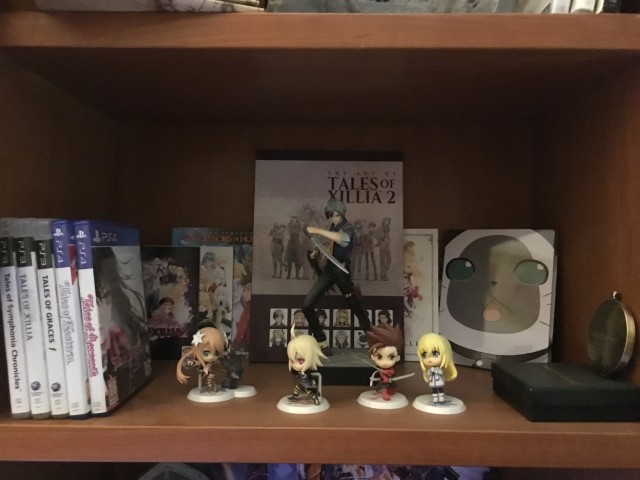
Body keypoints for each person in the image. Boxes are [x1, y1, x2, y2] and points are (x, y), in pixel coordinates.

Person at [302, 199, 371, 353]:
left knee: (356, 308)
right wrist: (317, 253)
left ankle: (374, 341)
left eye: (336, 215)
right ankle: (321, 342)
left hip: (342, 272)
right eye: (331, 216)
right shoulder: (333, 227)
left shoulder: (348, 228)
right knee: (306, 305)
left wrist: (316, 230)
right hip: (329, 271)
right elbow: (330, 246)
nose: (334, 219)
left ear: (342, 214)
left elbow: (342, 239)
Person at [417, 333, 458, 404]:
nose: (429, 359)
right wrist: (430, 372)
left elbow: (441, 373)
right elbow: (428, 373)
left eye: (435, 354)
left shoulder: (439, 369)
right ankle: (435, 397)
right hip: (433, 382)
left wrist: (435, 371)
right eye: (424, 355)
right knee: (434, 390)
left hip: (438, 381)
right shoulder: (430, 369)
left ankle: (441, 397)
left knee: (439, 389)